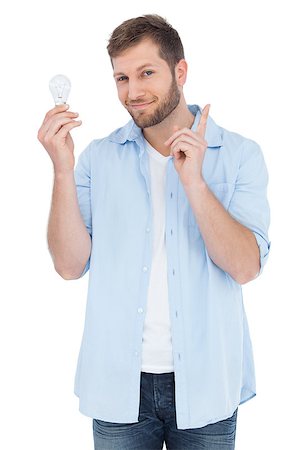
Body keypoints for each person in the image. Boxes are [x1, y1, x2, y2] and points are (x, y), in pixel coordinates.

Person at [37, 14, 271, 450]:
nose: (133, 92)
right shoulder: (97, 159)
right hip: (118, 389)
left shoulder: (239, 155)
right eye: (121, 78)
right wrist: (62, 171)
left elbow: (245, 268)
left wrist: (195, 185)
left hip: (206, 385)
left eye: (147, 73)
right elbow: (69, 266)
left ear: (180, 72)